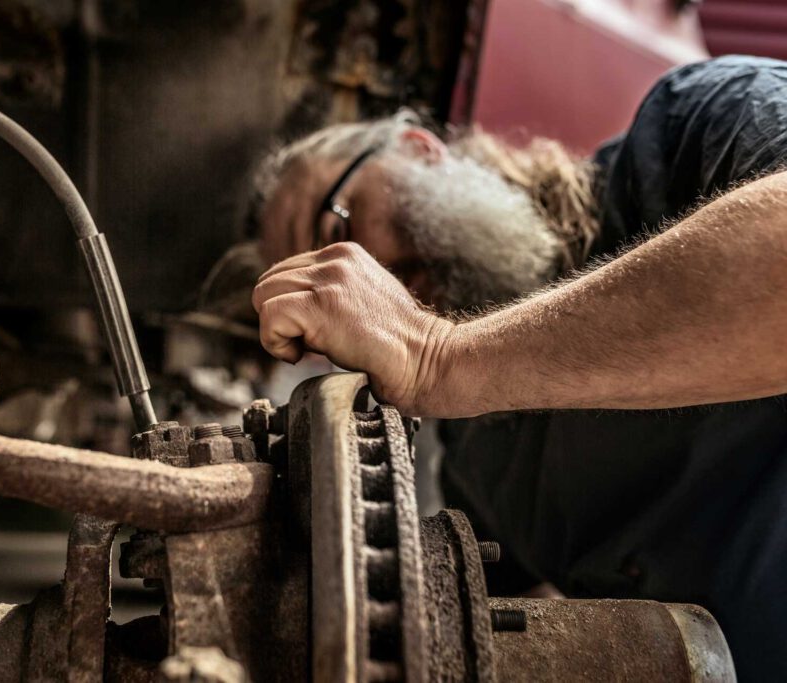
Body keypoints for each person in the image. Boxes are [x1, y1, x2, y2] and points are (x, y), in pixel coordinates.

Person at [250, 55, 787, 680]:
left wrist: (440, 357)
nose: (355, 294)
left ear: (419, 149)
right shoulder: (478, 465)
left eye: (332, 230)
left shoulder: (695, 125)